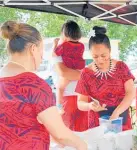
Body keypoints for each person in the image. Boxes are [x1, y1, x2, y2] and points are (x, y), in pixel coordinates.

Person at [0, 21, 87, 150]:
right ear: (33, 49)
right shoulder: (34, 84)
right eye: (41, 52)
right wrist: (82, 145)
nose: (41, 58)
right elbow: (61, 135)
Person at [75, 26, 135, 131]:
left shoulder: (121, 67)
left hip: (121, 119)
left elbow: (131, 93)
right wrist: (90, 105)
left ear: (110, 51)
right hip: (98, 124)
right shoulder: (86, 73)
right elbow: (80, 103)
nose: (100, 60)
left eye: (104, 55)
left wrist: (116, 112)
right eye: (95, 56)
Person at [53, 20, 85, 114]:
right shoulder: (82, 46)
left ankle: (59, 106)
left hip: (69, 71)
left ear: (64, 35)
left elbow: (54, 53)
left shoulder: (63, 46)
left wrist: (55, 44)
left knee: (60, 88)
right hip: (78, 69)